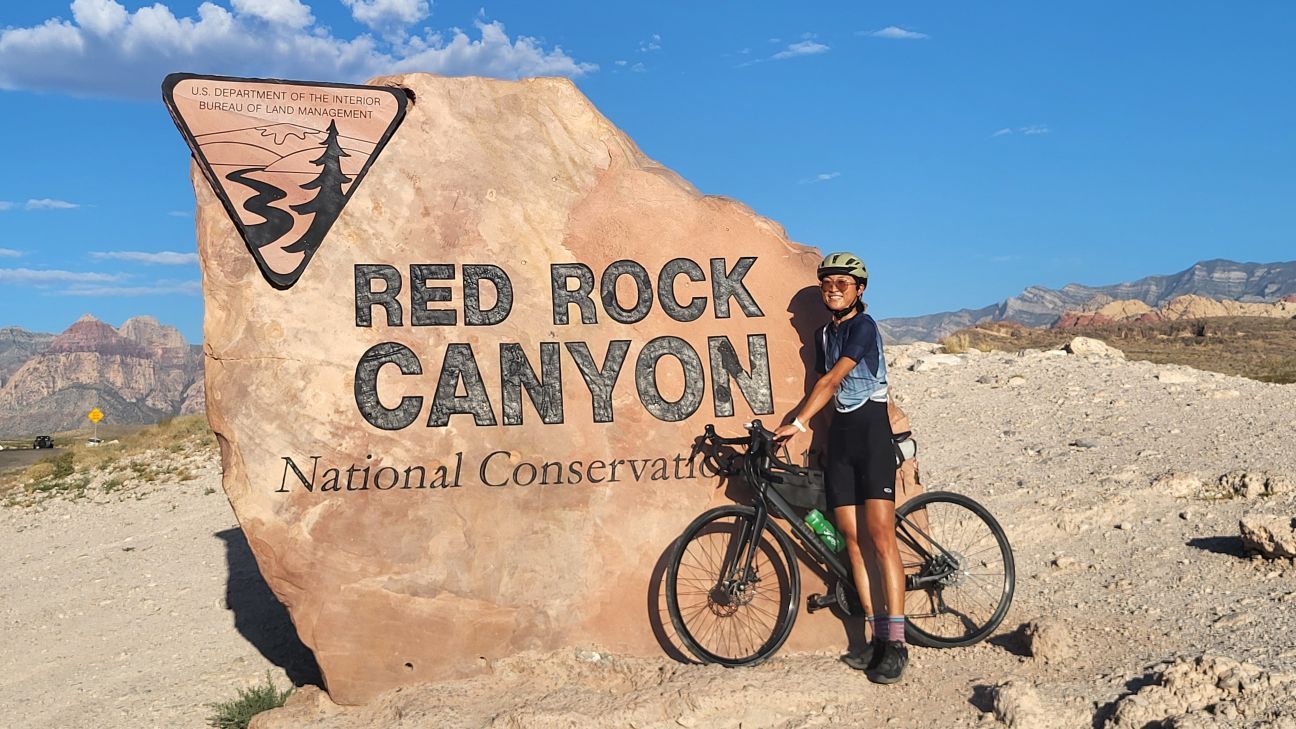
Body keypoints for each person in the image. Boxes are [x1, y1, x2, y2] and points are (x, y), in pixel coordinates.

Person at [773, 252, 908, 684]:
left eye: (842, 284)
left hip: (872, 441)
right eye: (827, 283)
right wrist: (816, 439)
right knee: (851, 541)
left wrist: (796, 422)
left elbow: (832, 382)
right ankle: (874, 636)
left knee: (881, 539)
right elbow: (824, 389)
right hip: (842, 447)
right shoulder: (822, 335)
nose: (833, 289)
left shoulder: (862, 327)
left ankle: (897, 644)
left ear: (860, 290)